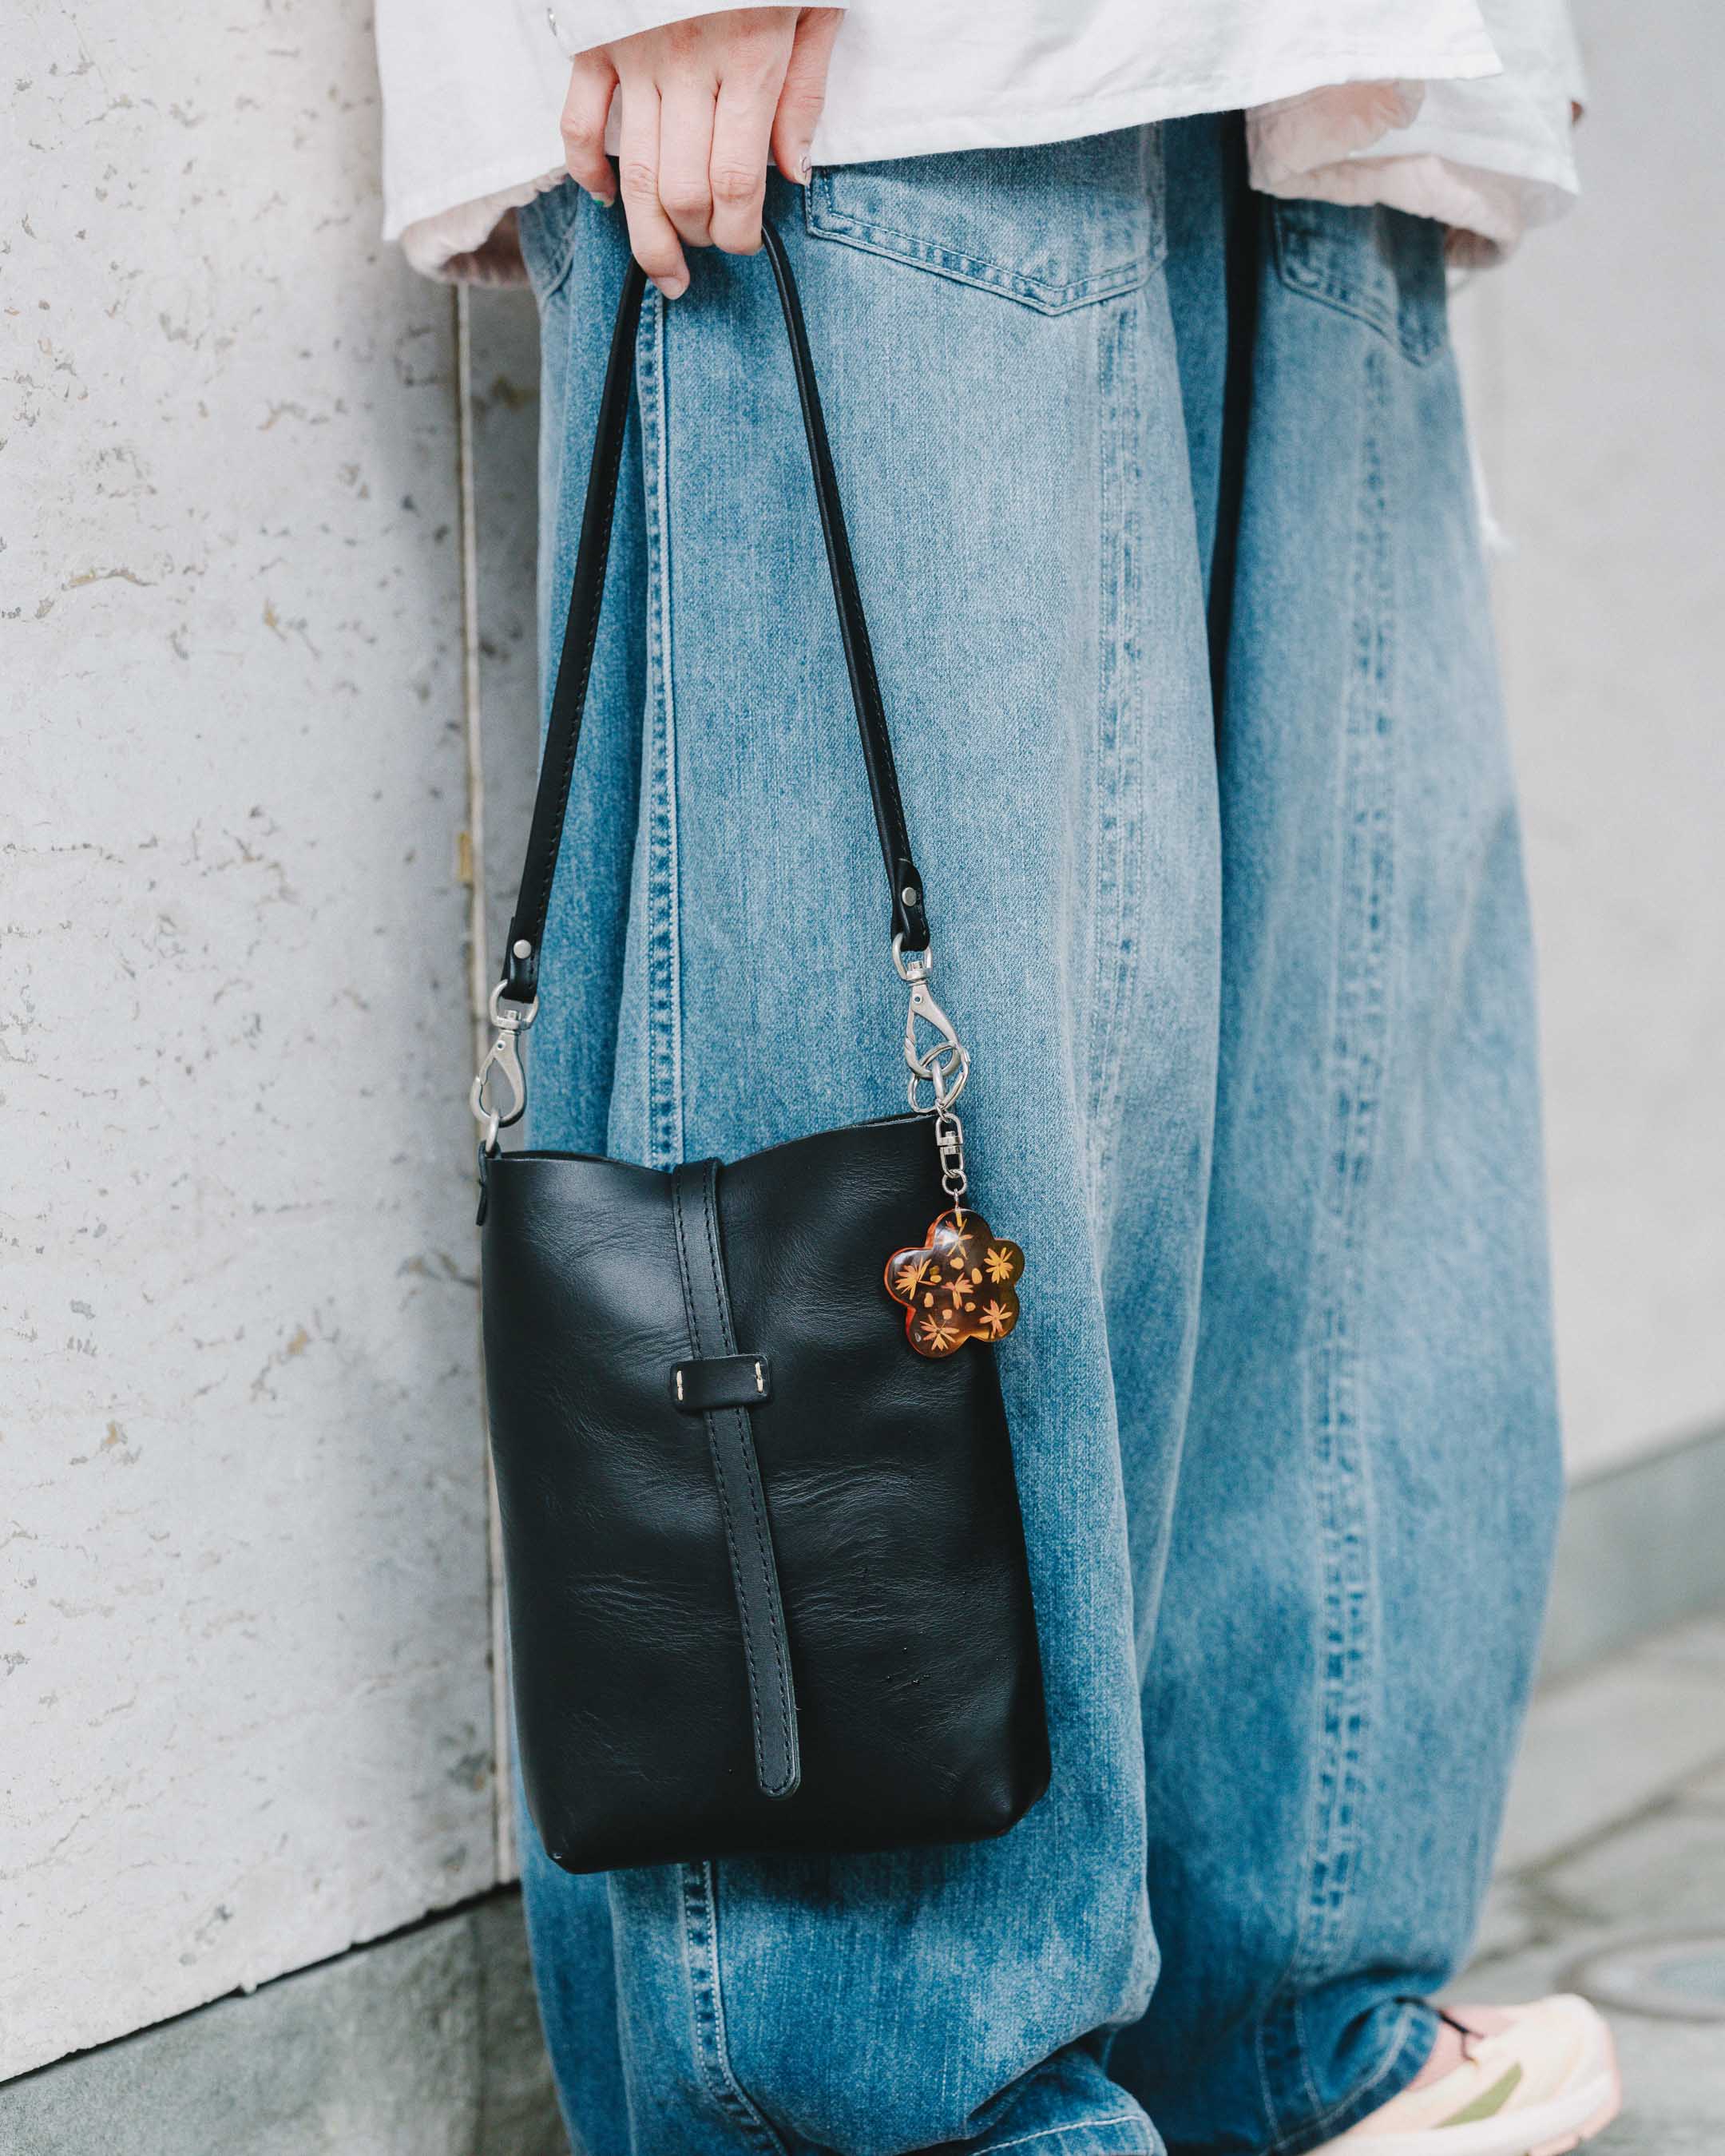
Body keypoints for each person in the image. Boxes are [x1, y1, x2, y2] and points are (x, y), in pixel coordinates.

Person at [377, 6, 1620, 2153]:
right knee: (869, 1171)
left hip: (1306, 79)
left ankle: (1265, 2052)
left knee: (1309, 1112)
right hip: (873, 88)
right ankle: (895, 2111)